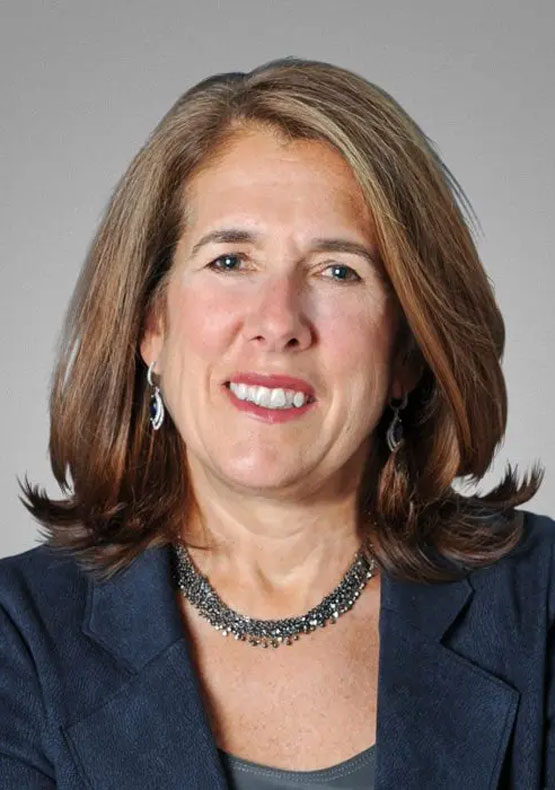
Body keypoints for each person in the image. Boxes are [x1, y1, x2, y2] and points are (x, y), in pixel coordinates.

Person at [0, 56, 553, 790]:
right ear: (152, 324)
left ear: (408, 354)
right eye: (230, 259)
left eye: (337, 271)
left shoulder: (540, 605)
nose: (277, 323)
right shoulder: (17, 638)